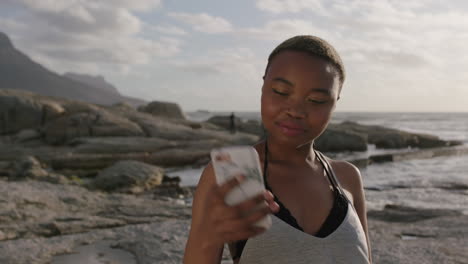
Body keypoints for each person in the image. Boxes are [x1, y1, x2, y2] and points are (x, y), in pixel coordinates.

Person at [184, 35, 372, 263]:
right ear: (264, 86)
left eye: (316, 100)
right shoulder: (236, 171)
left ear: (335, 102)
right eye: (282, 92)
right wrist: (210, 234)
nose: (295, 110)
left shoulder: (347, 177)